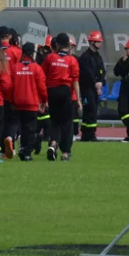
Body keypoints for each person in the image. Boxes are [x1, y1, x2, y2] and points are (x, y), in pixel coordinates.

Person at [42, 33, 80, 161]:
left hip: (52, 91)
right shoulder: (72, 60)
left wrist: (43, 98)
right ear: (69, 46)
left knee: (55, 121)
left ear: (57, 44)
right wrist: (78, 100)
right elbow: (75, 81)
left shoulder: (50, 58)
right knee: (67, 123)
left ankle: (53, 143)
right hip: (65, 91)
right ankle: (65, 152)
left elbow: (43, 76)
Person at [11, 41, 47, 161]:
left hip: (18, 103)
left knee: (21, 128)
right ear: (32, 53)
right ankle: (27, 152)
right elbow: (42, 87)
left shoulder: (15, 67)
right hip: (31, 103)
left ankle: (22, 148)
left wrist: (12, 101)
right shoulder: (36, 68)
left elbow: (10, 86)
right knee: (30, 129)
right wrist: (44, 100)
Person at [78, 30, 106, 142]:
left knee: (92, 110)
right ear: (92, 42)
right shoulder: (85, 57)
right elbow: (86, 73)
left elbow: (102, 71)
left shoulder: (98, 56)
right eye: (98, 41)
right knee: (90, 110)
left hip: (95, 88)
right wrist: (96, 84)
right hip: (87, 88)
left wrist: (101, 82)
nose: (100, 43)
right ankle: (89, 134)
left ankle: (87, 134)